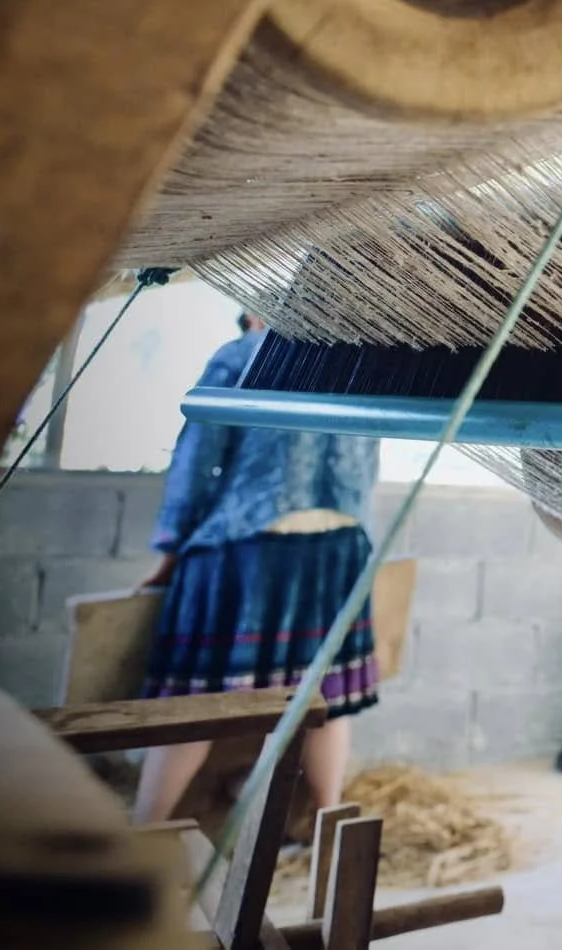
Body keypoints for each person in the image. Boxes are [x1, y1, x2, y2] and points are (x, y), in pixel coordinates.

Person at [133, 312, 382, 823]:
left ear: (253, 312)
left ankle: (141, 831)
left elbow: (196, 462)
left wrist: (169, 551)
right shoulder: (362, 360)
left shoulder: (240, 355)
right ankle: (328, 827)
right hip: (338, 549)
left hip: (251, 547)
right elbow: (371, 460)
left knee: (191, 707)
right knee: (321, 700)